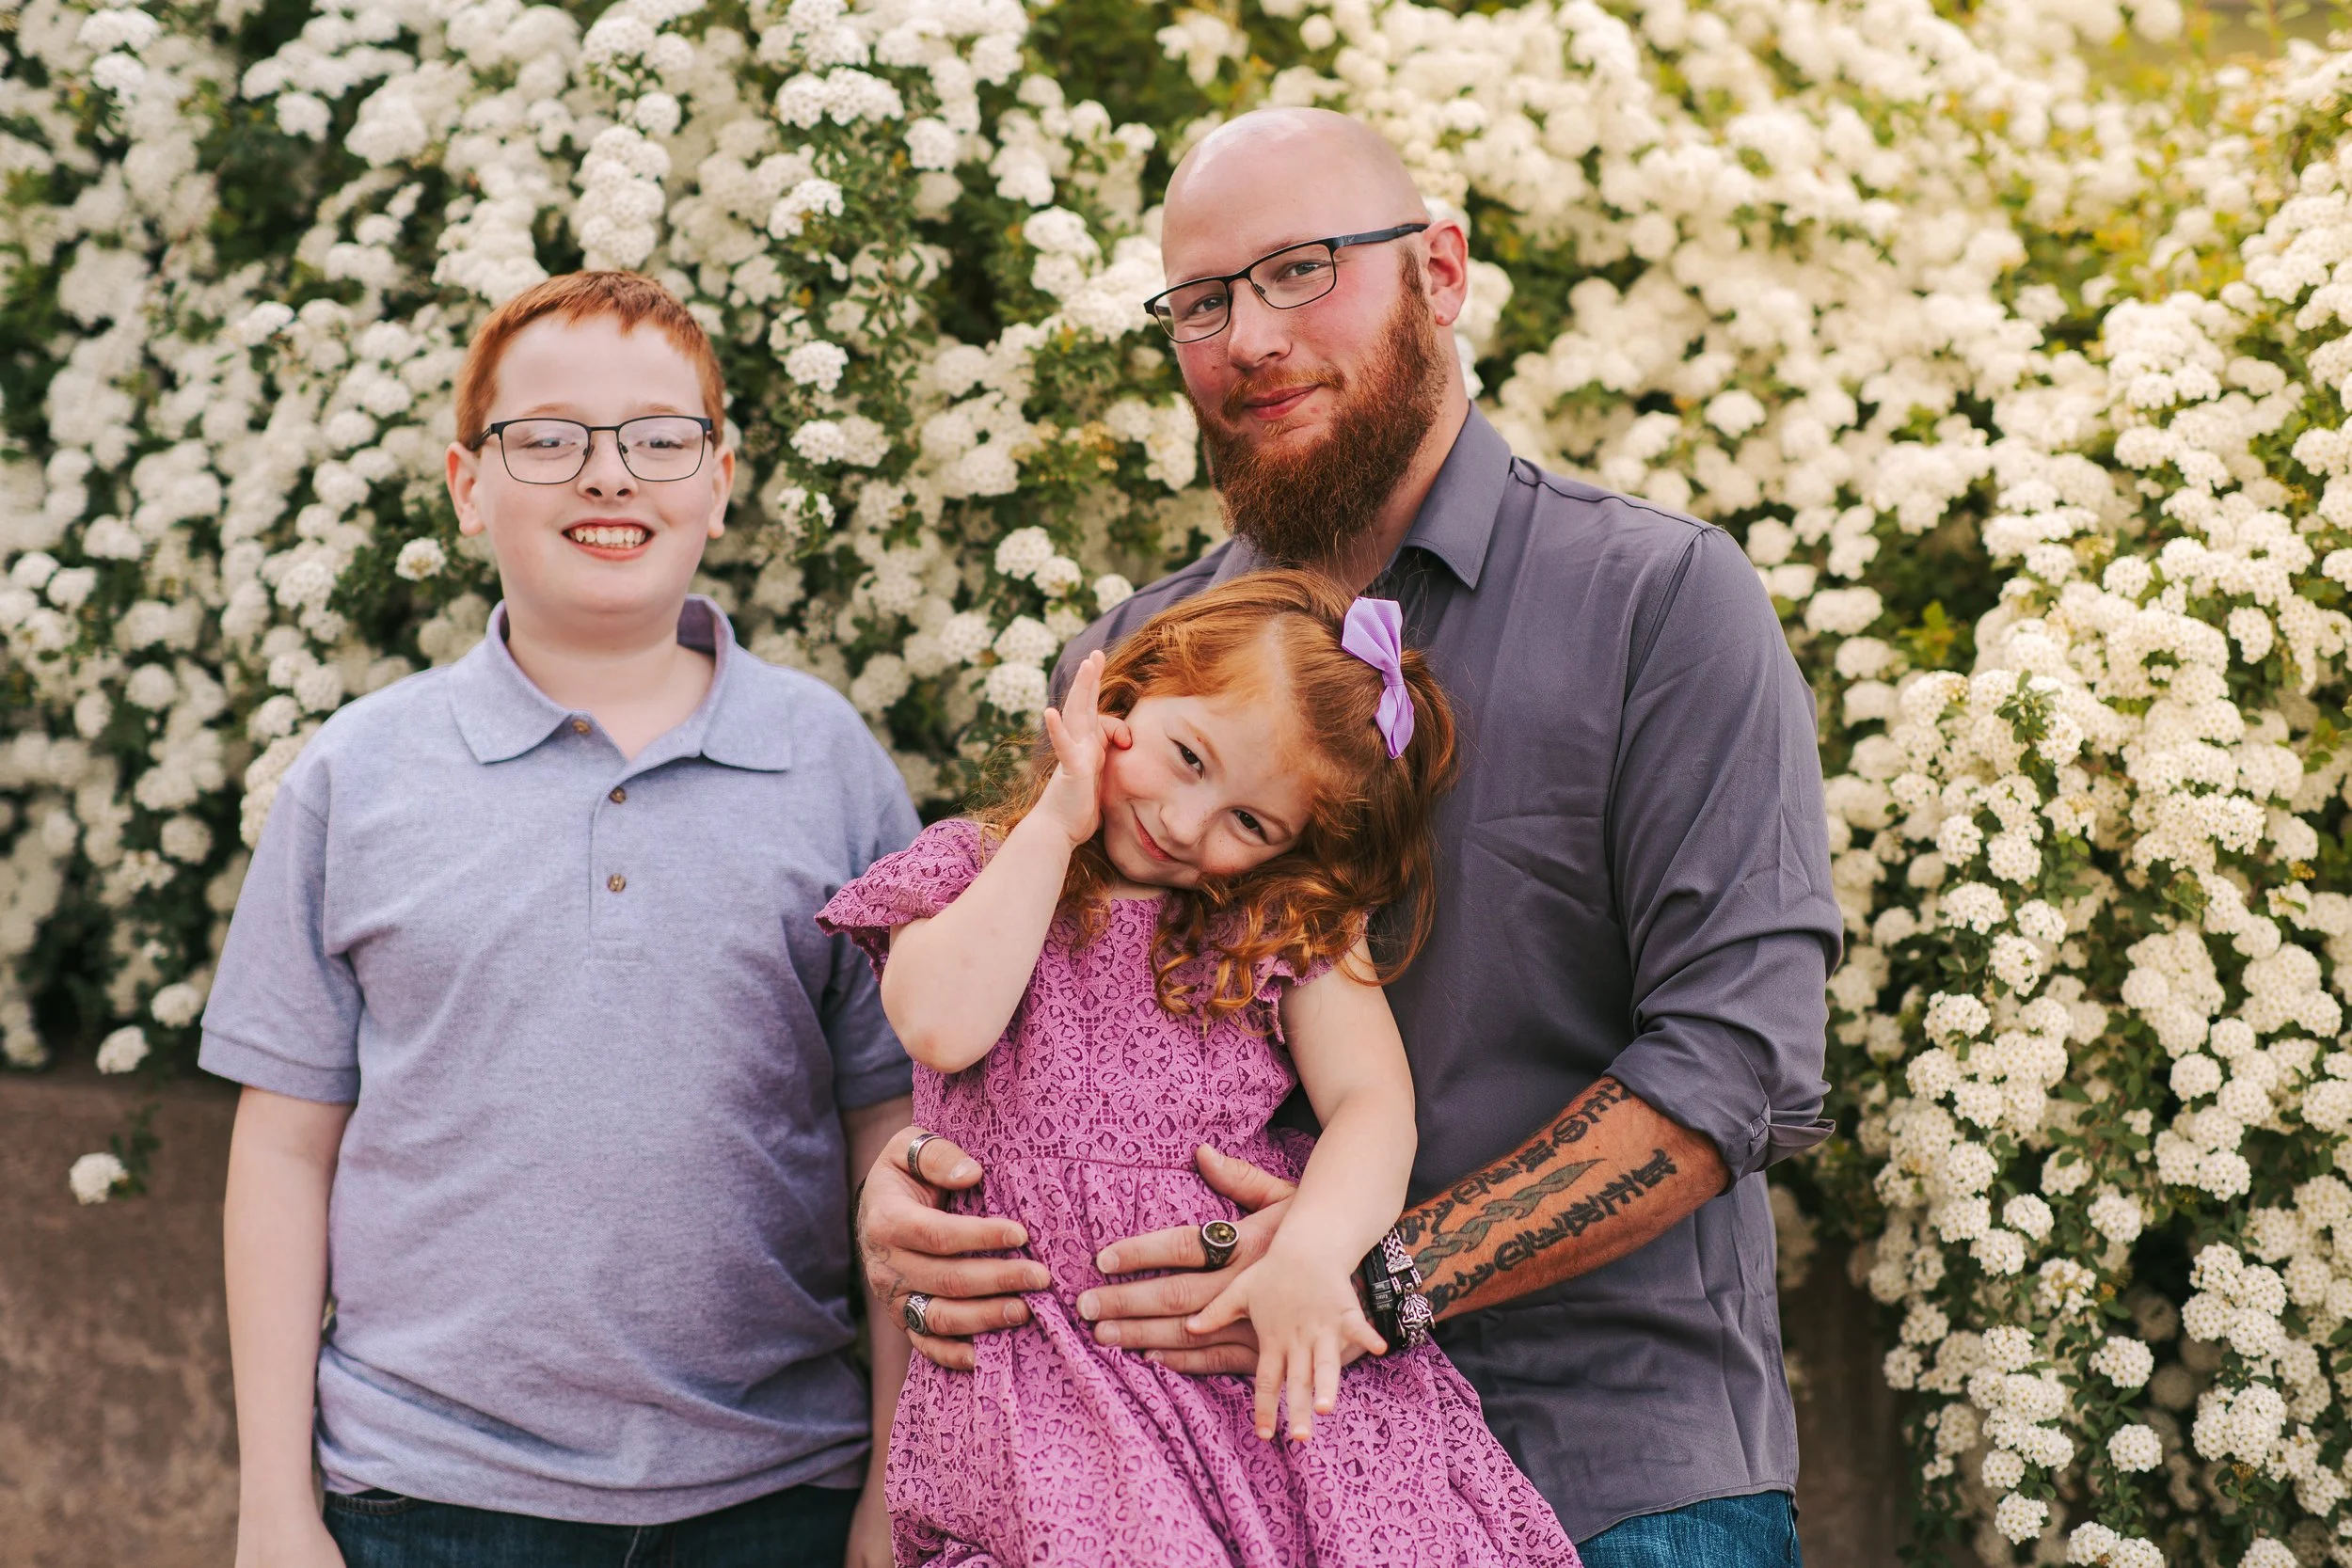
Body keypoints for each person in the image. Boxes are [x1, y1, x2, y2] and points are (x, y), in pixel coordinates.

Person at [851, 108, 1840, 1566]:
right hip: (1185, 1475)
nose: (1248, 334)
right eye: (1201, 301)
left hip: (1612, 1467)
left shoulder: (1658, 602)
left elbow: (1736, 1064)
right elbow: (1004, 1015)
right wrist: (927, 1199)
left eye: (1302, 269)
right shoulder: (1131, 654)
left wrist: (1368, 1275)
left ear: (1439, 268)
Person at [207, 272, 914, 1568]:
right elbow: (286, 1147)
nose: (609, 476)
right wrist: (273, 1505)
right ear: (470, 482)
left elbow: (897, 1130)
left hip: (778, 1488)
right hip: (425, 1495)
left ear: (719, 477)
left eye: (659, 436)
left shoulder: (826, 760)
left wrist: (901, 1473)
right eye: (547, 439)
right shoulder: (359, 774)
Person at [818, 572, 1577, 1566]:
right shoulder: (978, 868)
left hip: (1235, 1369)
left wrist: (1312, 1252)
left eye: (1251, 823)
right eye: (1185, 757)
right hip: (1047, 1369)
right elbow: (943, 1025)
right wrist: (1055, 821)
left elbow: (1370, 1103)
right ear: (1126, 690)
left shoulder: (1271, 925)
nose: (1186, 822)